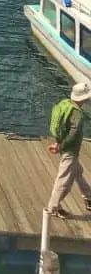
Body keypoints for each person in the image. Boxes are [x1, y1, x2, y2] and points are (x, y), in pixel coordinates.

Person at [47, 81, 91, 218]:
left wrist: (58, 144)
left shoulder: (66, 104)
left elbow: (62, 127)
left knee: (78, 172)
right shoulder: (77, 114)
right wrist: (61, 146)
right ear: (83, 98)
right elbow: (72, 134)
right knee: (63, 181)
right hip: (70, 151)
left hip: (67, 149)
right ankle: (53, 207)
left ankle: (89, 197)